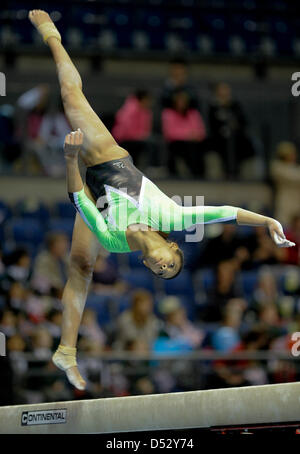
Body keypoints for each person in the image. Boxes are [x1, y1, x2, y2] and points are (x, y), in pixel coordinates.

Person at [28, 10, 295, 390]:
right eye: (169, 264)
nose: (160, 267)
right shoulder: (170, 215)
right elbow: (224, 212)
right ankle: (53, 36)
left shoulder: (114, 241)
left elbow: (77, 199)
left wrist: (70, 160)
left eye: (160, 273)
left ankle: (66, 350)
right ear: (170, 246)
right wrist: (268, 221)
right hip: (107, 155)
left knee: (82, 265)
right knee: (71, 94)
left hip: (86, 184)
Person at [162, 90, 206, 177]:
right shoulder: (168, 113)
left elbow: (201, 131)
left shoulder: (193, 113)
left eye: (184, 101)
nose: (182, 104)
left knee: (198, 146)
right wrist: (188, 135)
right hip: (176, 142)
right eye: (179, 101)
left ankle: (198, 173)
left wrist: (195, 136)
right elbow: (169, 133)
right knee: (185, 147)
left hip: (193, 142)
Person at [270, 141, 300, 225]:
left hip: (297, 200)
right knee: (284, 225)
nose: (293, 156)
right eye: (290, 154)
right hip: (285, 201)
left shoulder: (295, 167)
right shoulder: (277, 167)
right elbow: (293, 177)